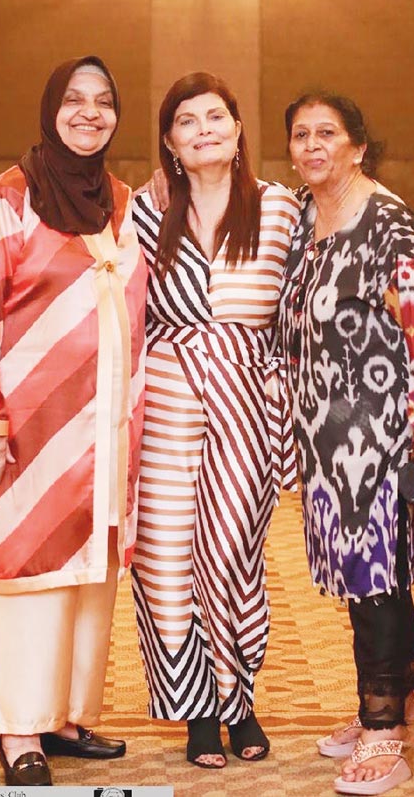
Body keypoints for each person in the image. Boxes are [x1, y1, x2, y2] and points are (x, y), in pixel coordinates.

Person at [0, 56, 148, 786]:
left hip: (104, 429)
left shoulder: (120, 201)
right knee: (24, 569)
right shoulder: (11, 197)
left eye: (104, 101)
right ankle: (18, 730)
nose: (90, 113)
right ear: (49, 109)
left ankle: (64, 717)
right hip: (28, 430)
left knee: (89, 574)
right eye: (74, 99)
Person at [279, 93, 414, 796]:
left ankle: (384, 734)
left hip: (380, 432)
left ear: (359, 146)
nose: (312, 145)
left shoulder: (388, 221)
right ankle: (400, 706)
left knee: (375, 579)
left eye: (327, 133)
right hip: (325, 435)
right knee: (375, 578)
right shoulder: (302, 218)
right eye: (301, 134)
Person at [131, 72, 300, 768]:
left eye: (215, 117)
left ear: (237, 130)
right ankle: (199, 711)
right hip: (166, 400)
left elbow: (299, 312)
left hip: (248, 400)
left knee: (232, 553)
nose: (203, 129)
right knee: (166, 556)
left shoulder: (280, 208)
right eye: (186, 121)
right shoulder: (143, 212)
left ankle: (240, 697)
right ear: (170, 143)